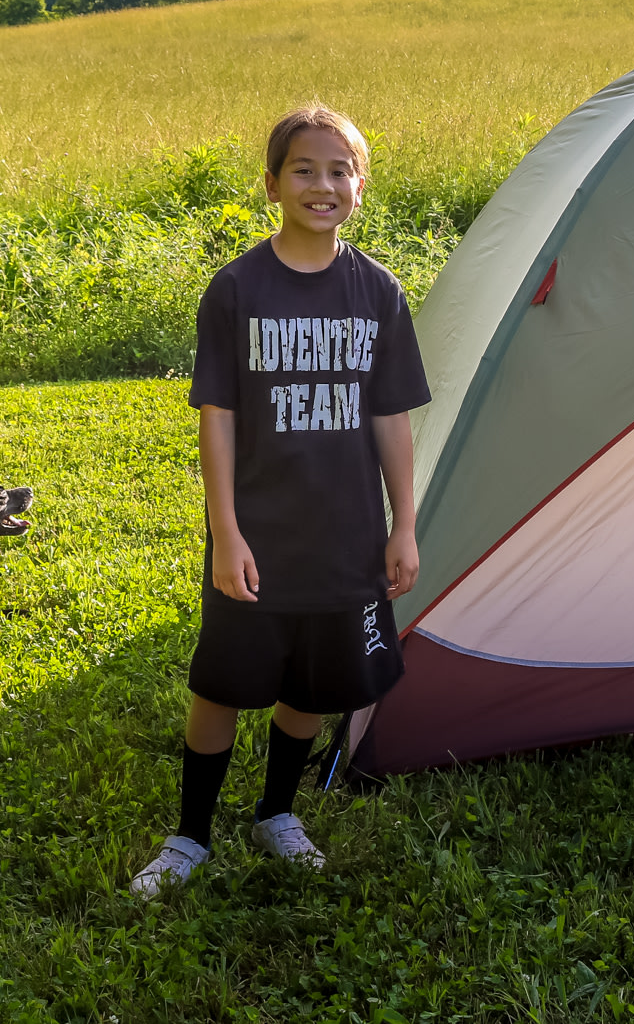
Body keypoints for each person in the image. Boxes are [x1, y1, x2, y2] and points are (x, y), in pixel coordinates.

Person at [130, 104, 431, 897]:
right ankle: (190, 834)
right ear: (272, 184)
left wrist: (404, 525)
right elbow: (218, 419)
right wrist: (224, 530)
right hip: (258, 536)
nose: (321, 185)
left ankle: (274, 812)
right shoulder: (236, 290)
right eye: (304, 169)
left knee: (313, 685)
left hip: (348, 539)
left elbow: (390, 416)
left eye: (339, 171)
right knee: (222, 684)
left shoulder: (379, 293)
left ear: (360, 187)